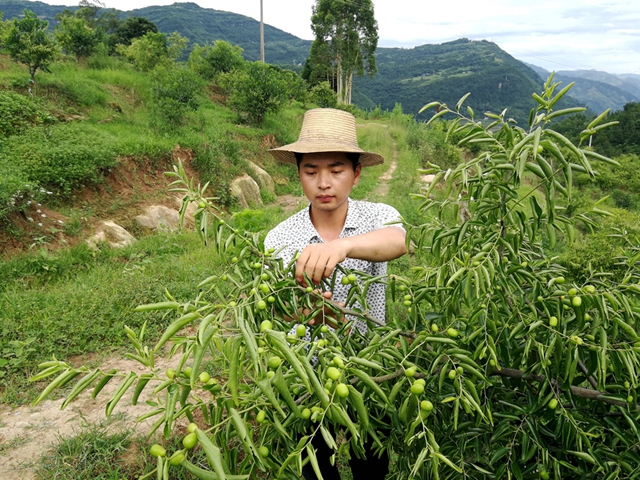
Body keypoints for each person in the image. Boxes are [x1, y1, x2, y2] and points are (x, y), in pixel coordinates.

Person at [263, 108, 406, 480]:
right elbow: (273, 311)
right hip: (307, 377)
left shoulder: (377, 216)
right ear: (298, 174)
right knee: (315, 465)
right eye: (311, 172)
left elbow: (398, 241)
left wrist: (343, 246)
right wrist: (305, 314)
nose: (323, 183)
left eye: (336, 170)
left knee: (370, 463)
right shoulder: (280, 238)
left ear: (356, 174)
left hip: (369, 370)